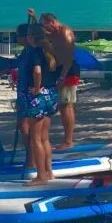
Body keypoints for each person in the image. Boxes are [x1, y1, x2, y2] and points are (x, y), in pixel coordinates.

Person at [13, 23, 56, 181]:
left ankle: (41, 176)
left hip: (37, 97)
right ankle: (49, 172)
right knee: (45, 138)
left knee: (36, 138)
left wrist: (37, 88)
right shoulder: (48, 51)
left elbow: (37, 71)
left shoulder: (34, 51)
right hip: (50, 95)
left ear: (31, 36)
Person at [33, 9, 79, 150]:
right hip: (58, 70)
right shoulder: (52, 32)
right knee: (60, 105)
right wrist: (34, 18)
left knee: (66, 105)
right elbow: (40, 33)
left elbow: (69, 57)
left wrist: (61, 77)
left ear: (52, 23)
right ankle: (66, 139)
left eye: (45, 26)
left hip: (68, 70)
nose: (45, 30)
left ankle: (69, 141)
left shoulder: (65, 33)